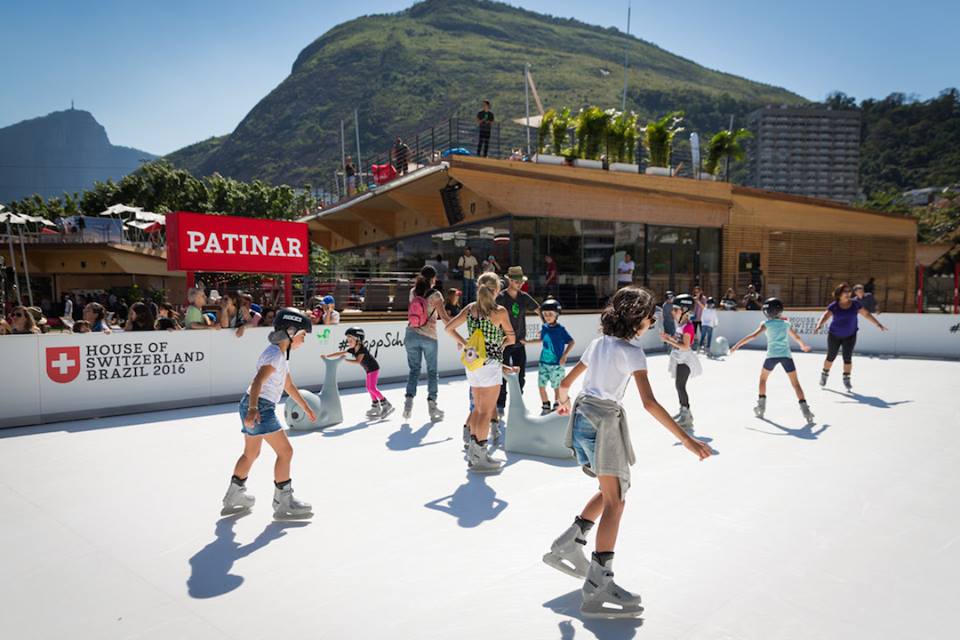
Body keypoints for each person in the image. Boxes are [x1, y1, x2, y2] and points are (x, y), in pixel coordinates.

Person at [543, 286, 711, 619]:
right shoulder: (633, 352)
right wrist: (687, 439)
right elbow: (649, 403)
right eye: (649, 316)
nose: (652, 322)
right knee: (616, 502)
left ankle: (570, 542)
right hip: (604, 423)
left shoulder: (598, 344)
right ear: (636, 319)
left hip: (582, 418)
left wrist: (562, 402)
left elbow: (564, 385)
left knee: (611, 490)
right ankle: (598, 584)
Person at [221, 308, 315, 519]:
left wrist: (305, 407)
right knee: (286, 452)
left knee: (251, 453)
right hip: (259, 407)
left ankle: (233, 496)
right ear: (291, 332)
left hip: (252, 404)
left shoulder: (281, 355)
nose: (304, 340)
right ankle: (283, 503)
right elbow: (258, 381)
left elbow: (288, 386)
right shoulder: (275, 356)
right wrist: (253, 409)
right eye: (303, 335)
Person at [445, 272, 515, 474]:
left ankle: (474, 453)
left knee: (477, 409)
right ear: (497, 289)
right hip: (490, 365)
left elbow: (449, 328)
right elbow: (511, 338)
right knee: (486, 411)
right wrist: (499, 345)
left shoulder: (470, 309)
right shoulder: (499, 311)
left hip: (472, 362)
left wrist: (466, 343)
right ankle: (480, 456)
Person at [730, 297, 816, 424]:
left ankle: (761, 407)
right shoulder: (786, 324)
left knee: (763, 380)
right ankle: (806, 411)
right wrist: (803, 346)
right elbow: (796, 337)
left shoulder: (765, 324)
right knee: (795, 384)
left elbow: (753, 336)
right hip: (786, 356)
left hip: (771, 356)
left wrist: (737, 345)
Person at [815, 282, 887, 391]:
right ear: (839, 293)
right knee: (831, 356)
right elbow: (825, 315)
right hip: (834, 335)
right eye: (845, 291)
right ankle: (824, 374)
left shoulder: (855, 304)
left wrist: (878, 324)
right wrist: (819, 324)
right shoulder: (834, 305)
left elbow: (866, 314)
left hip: (850, 336)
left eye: (849, 291)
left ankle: (846, 379)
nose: (848, 293)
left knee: (847, 358)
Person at [403, 265, 451, 422]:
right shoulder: (436, 295)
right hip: (429, 336)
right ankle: (432, 405)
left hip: (411, 334)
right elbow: (444, 317)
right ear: (433, 278)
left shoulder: (412, 292)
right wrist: (456, 329)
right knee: (432, 371)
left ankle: (408, 402)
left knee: (414, 370)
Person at [496, 266, 539, 418]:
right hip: (504, 343)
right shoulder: (500, 297)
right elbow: (490, 315)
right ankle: (500, 405)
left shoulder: (524, 297)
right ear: (509, 281)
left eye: (521, 282)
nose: (519, 284)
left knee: (521, 377)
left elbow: (539, 310)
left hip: (519, 343)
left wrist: (548, 326)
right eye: (516, 281)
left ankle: (517, 404)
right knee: (503, 376)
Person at [326, 326, 394, 420]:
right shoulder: (353, 349)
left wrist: (345, 360)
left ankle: (386, 404)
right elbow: (340, 353)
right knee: (369, 388)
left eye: (350, 340)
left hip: (373, 368)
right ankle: (376, 406)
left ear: (358, 339)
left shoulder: (362, 349)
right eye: (348, 340)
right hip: (368, 370)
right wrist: (327, 356)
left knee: (372, 388)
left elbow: (358, 361)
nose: (348, 342)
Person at [523, 298, 575, 414]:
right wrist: (527, 342)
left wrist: (565, 355)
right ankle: (545, 405)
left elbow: (572, 342)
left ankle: (557, 405)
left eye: (550, 314)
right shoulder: (545, 327)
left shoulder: (561, 330)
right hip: (543, 363)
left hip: (557, 364)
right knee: (541, 386)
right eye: (545, 314)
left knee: (556, 387)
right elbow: (542, 339)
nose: (547, 317)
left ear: (556, 315)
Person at [659, 294, 702, 431]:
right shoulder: (681, 325)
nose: (672, 312)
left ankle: (687, 416)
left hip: (685, 359)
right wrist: (669, 338)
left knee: (680, 386)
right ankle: (683, 410)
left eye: (675, 309)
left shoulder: (688, 327)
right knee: (679, 385)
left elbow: (685, 346)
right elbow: (678, 340)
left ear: (684, 310)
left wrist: (668, 341)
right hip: (679, 358)